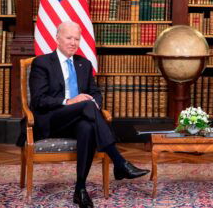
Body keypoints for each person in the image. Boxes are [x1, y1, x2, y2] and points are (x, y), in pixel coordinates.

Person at [29, 21, 149, 208]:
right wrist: (69, 101)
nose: (73, 42)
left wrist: (92, 103)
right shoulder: (42, 63)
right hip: (52, 119)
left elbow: (96, 93)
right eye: (69, 38)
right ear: (57, 38)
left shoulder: (83, 63)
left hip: (78, 120)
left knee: (87, 125)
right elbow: (38, 100)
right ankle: (119, 162)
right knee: (86, 106)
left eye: (77, 39)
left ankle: (80, 189)